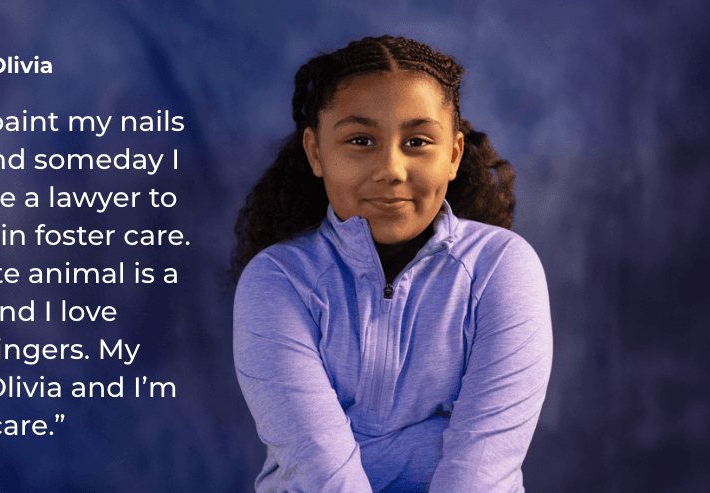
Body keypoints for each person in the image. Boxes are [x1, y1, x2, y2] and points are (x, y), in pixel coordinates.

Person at [230, 35, 552, 492]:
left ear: (454, 155)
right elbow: (319, 470)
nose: (391, 169)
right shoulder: (277, 279)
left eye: (418, 141)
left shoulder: (503, 268)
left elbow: (481, 470)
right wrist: (430, 439)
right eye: (361, 140)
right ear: (316, 152)